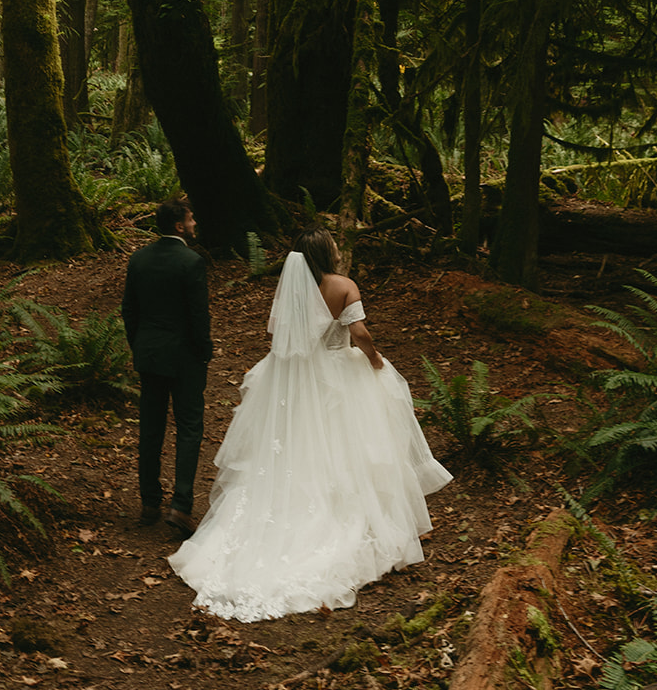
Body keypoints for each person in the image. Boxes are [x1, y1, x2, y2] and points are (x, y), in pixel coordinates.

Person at [168, 226, 452, 621]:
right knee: (349, 448)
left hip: (297, 378)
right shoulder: (344, 286)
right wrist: (374, 360)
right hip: (339, 377)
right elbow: (359, 332)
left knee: (297, 448)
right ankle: (355, 519)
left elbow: (281, 337)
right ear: (327, 253)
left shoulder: (294, 291)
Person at [121, 195, 213, 539]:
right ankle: (181, 506)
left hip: (149, 354)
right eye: (190, 220)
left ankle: (149, 503)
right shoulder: (191, 262)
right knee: (189, 427)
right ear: (178, 225)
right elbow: (198, 316)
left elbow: (129, 309)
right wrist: (204, 351)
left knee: (151, 427)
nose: (193, 225)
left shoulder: (138, 259)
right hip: (185, 357)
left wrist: (139, 344)